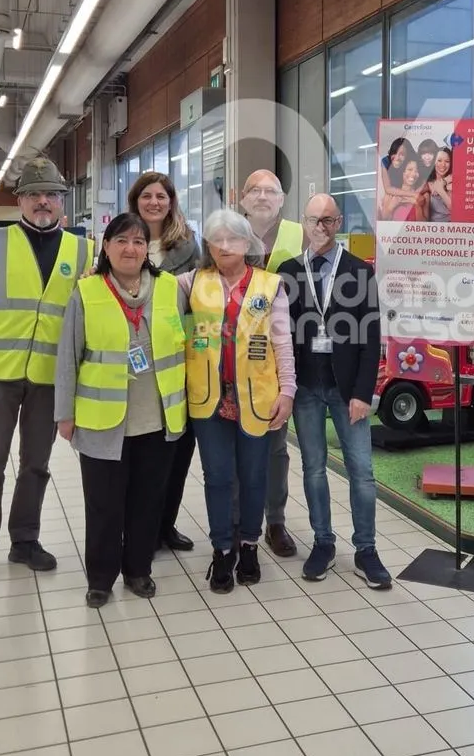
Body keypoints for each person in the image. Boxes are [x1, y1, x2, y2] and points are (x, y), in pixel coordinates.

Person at [0, 157, 88, 588]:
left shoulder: (81, 249)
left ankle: (24, 539)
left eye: (51, 194)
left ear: (62, 202)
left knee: (37, 461)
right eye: (34, 194)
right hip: (0, 372)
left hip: (51, 374)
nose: (43, 202)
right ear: (20, 201)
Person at [56, 213, 188, 608]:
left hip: (158, 416)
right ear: (106, 247)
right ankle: (100, 578)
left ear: (147, 248)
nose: (130, 249)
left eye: (138, 241)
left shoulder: (169, 288)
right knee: (103, 505)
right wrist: (65, 413)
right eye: (121, 241)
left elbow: (189, 339)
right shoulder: (88, 291)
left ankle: (138, 569)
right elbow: (68, 356)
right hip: (102, 419)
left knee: (148, 500)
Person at [180, 209, 296, 594]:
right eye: (217, 239)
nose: (225, 246)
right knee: (217, 477)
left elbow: (282, 342)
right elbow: (149, 290)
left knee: (253, 478)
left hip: (256, 398)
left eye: (233, 239)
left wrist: (288, 391)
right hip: (209, 400)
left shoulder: (270, 285)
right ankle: (222, 550)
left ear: (248, 244)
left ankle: (249, 545)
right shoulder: (192, 282)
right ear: (208, 245)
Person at [279, 193, 391, 589]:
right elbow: (281, 334)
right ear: (304, 223)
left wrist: (363, 392)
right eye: (314, 219)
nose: (321, 227)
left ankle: (366, 549)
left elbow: (371, 337)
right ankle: (323, 542)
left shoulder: (360, 272)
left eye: (329, 220)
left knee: (362, 472)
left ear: (338, 221)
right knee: (313, 468)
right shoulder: (288, 271)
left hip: (348, 392)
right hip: (306, 387)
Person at [128, 170, 199, 554]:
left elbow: (200, 301)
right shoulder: (123, 240)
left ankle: (165, 525)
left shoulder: (187, 247)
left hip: (177, 360)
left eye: (162, 196)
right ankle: (140, 527)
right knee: (141, 452)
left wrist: (197, 349)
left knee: (178, 448)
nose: (154, 202)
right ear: (136, 200)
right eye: (147, 196)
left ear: (171, 202)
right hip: (134, 364)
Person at [240, 168, 304, 557]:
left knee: (276, 447)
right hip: (233, 356)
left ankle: (275, 521)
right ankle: (234, 522)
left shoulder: (299, 233)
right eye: (255, 190)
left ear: (282, 199)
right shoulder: (225, 231)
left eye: (271, 191)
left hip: (281, 352)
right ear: (242, 198)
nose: (263, 196)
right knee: (235, 445)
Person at [416, 146, 452, 222]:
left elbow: (455, 210)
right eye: (439, 160)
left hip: (450, 228)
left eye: (447, 161)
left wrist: (440, 189)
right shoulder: (429, 183)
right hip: (433, 228)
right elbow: (413, 193)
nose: (443, 165)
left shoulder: (452, 182)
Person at [379, 137, 413, 214]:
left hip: (407, 191)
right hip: (396, 193)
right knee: (387, 200)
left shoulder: (411, 163)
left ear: (407, 156)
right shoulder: (386, 161)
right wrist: (412, 195)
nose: (397, 157)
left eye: (402, 154)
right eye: (394, 152)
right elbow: (388, 189)